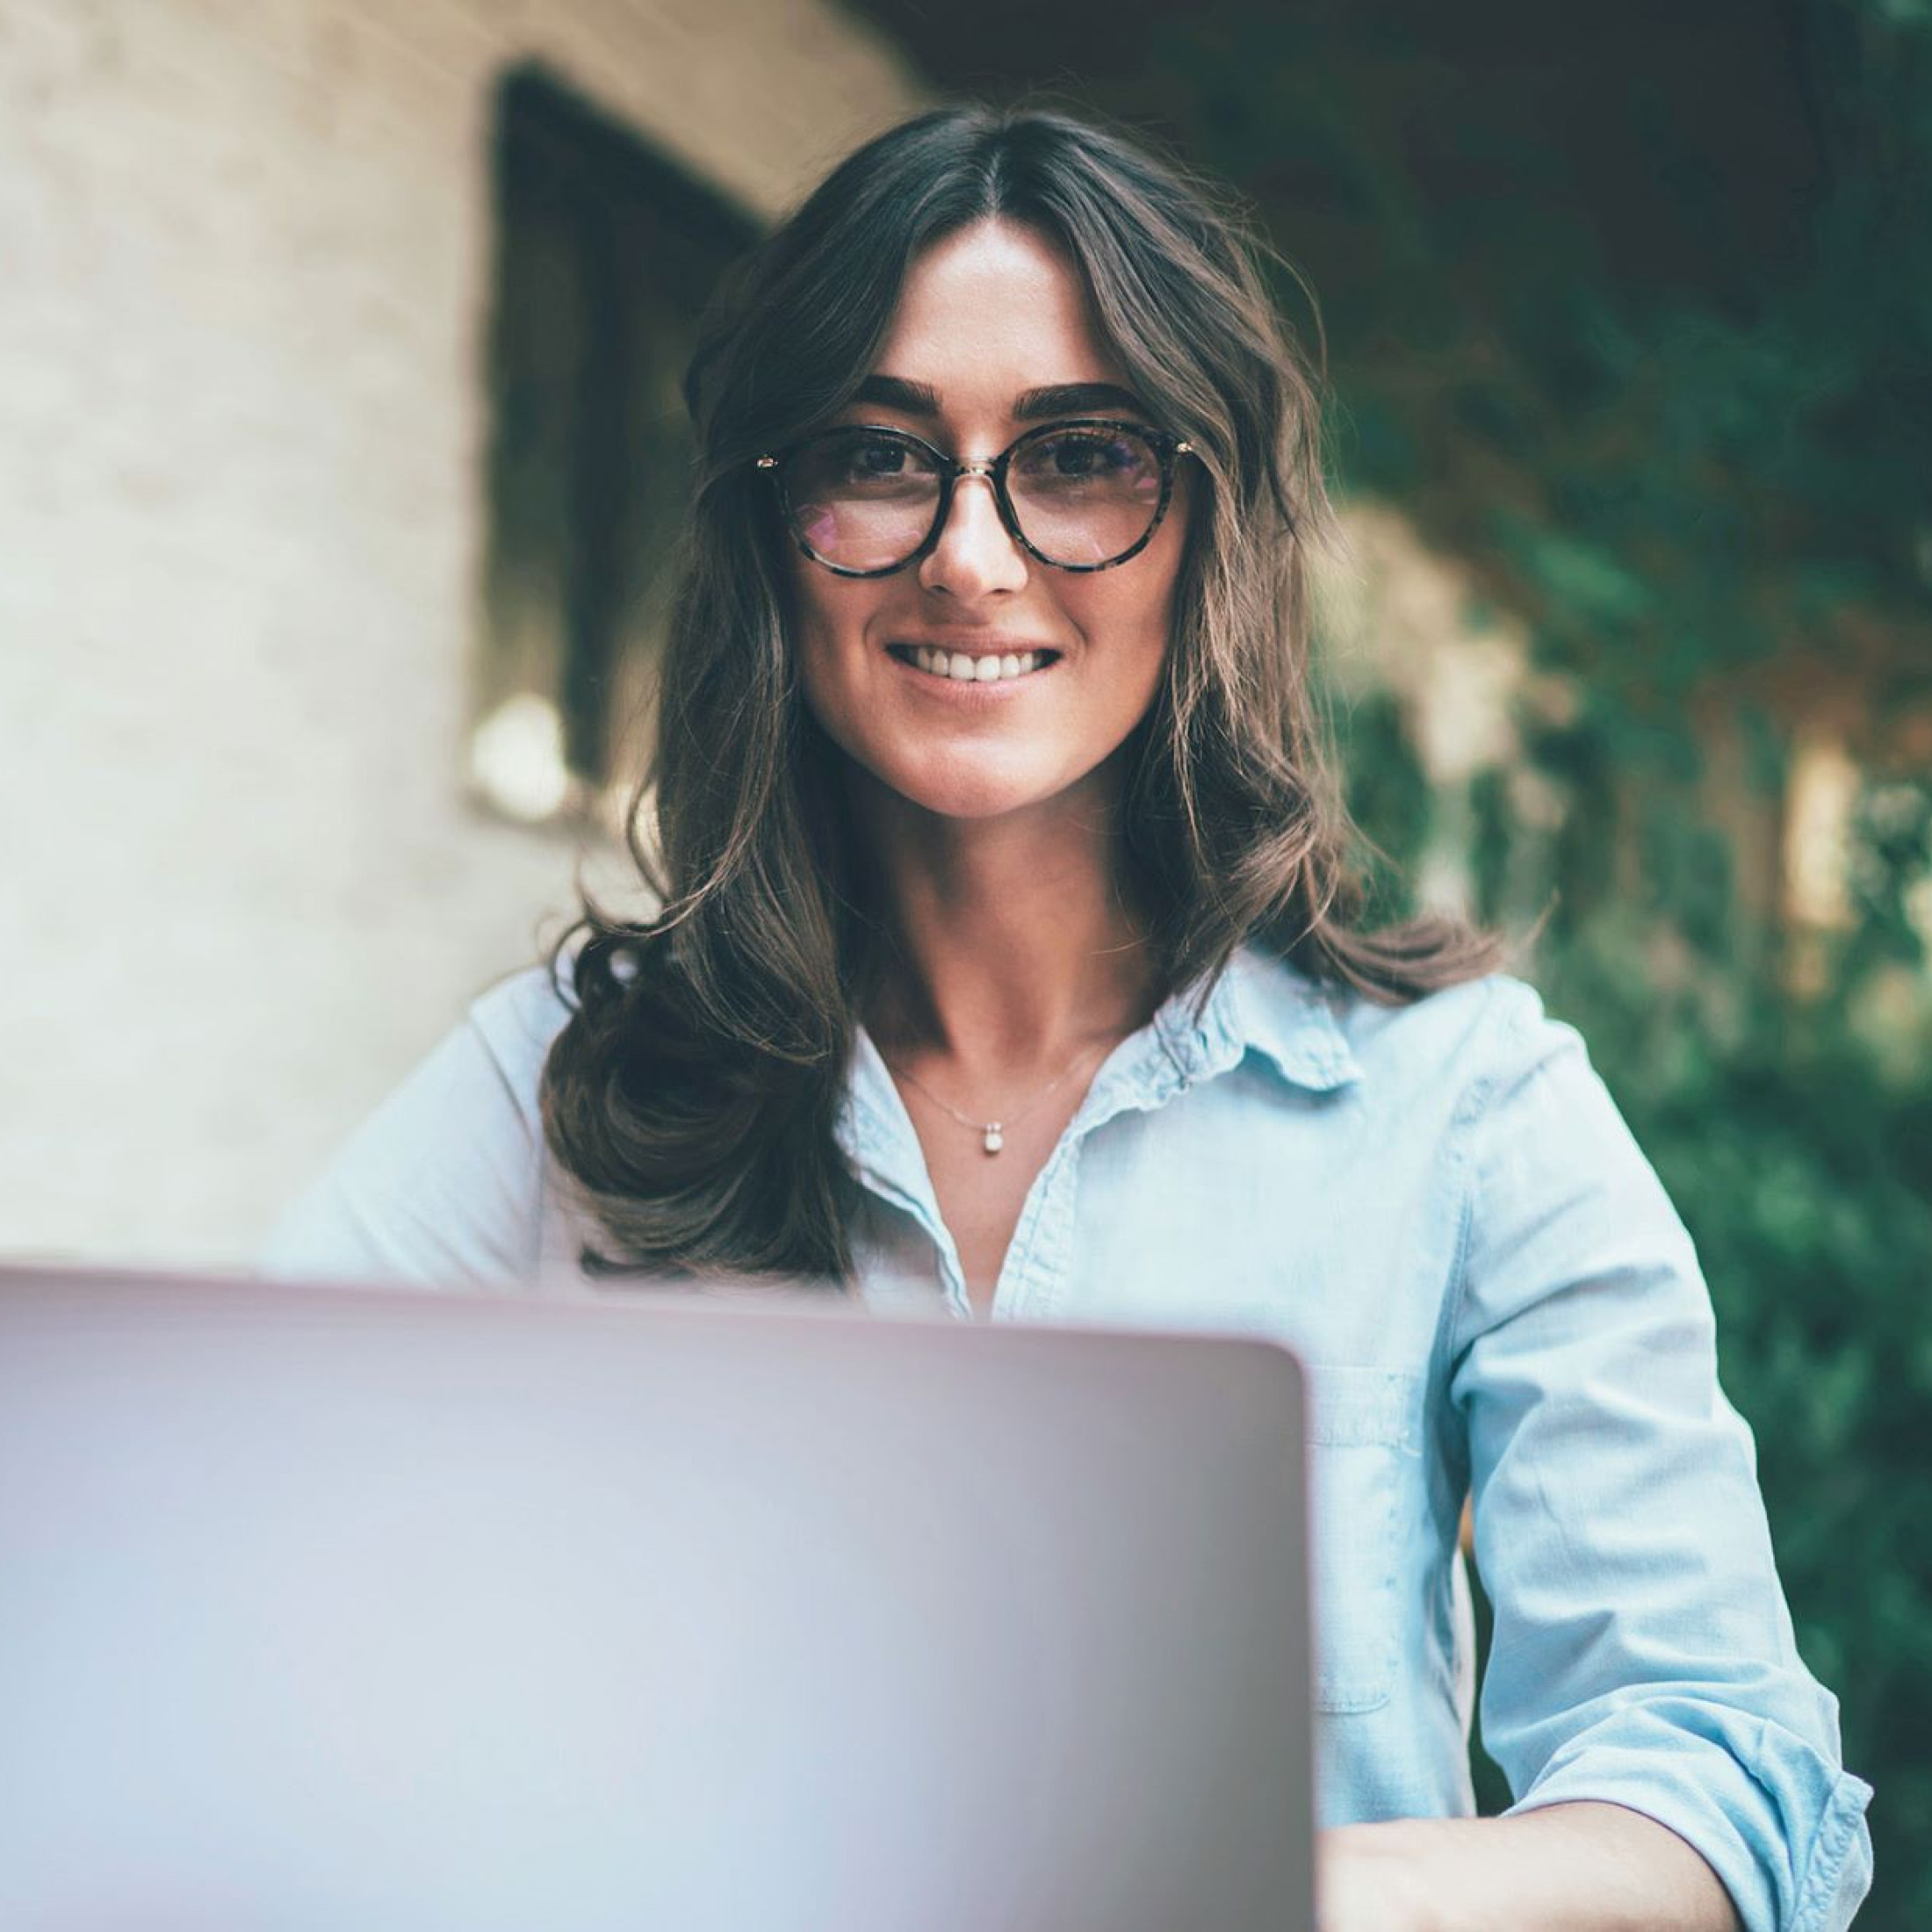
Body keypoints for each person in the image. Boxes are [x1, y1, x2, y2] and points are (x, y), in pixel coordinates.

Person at [262, 104, 1872, 1929]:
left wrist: (1261, 1894)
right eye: (878, 455)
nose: (969, 552)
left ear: (1205, 526)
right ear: (775, 529)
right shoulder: (565, 1084)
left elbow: (1729, 1777)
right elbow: (219, 1605)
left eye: (1079, 455)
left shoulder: (1463, 1105)